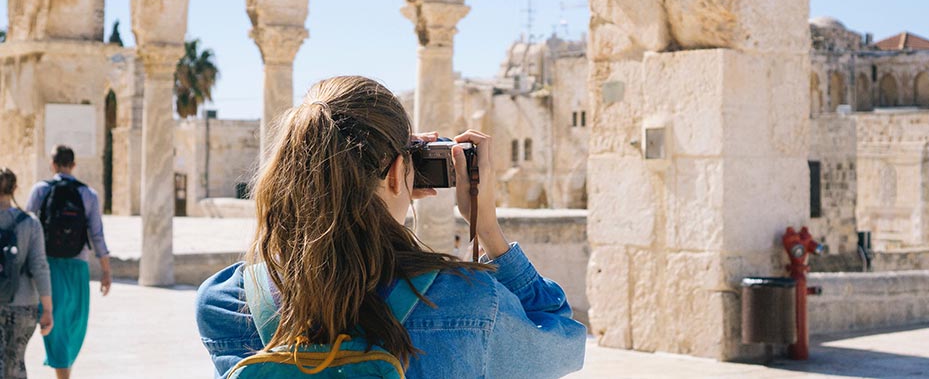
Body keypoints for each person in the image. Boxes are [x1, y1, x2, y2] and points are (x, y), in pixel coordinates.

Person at [197, 76, 586, 378]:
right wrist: (488, 231)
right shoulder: (468, 301)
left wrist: (394, 173)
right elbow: (564, 342)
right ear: (401, 172)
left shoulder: (225, 302)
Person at [25, 146, 112, 379]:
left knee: (57, 326)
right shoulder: (88, 194)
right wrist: (106, 271)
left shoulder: (40, 190)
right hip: (78, 267)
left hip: (48, 266)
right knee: (74, 325)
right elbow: (97, 235)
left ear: (53, 164)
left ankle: (63, 374)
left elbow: (27, 230)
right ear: (74, 165)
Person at [0, 168, 53, 379]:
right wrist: (47, 309)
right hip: (23, 304)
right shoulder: (30, 223)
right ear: (15, 188)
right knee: (16, 364)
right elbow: (40, 266)